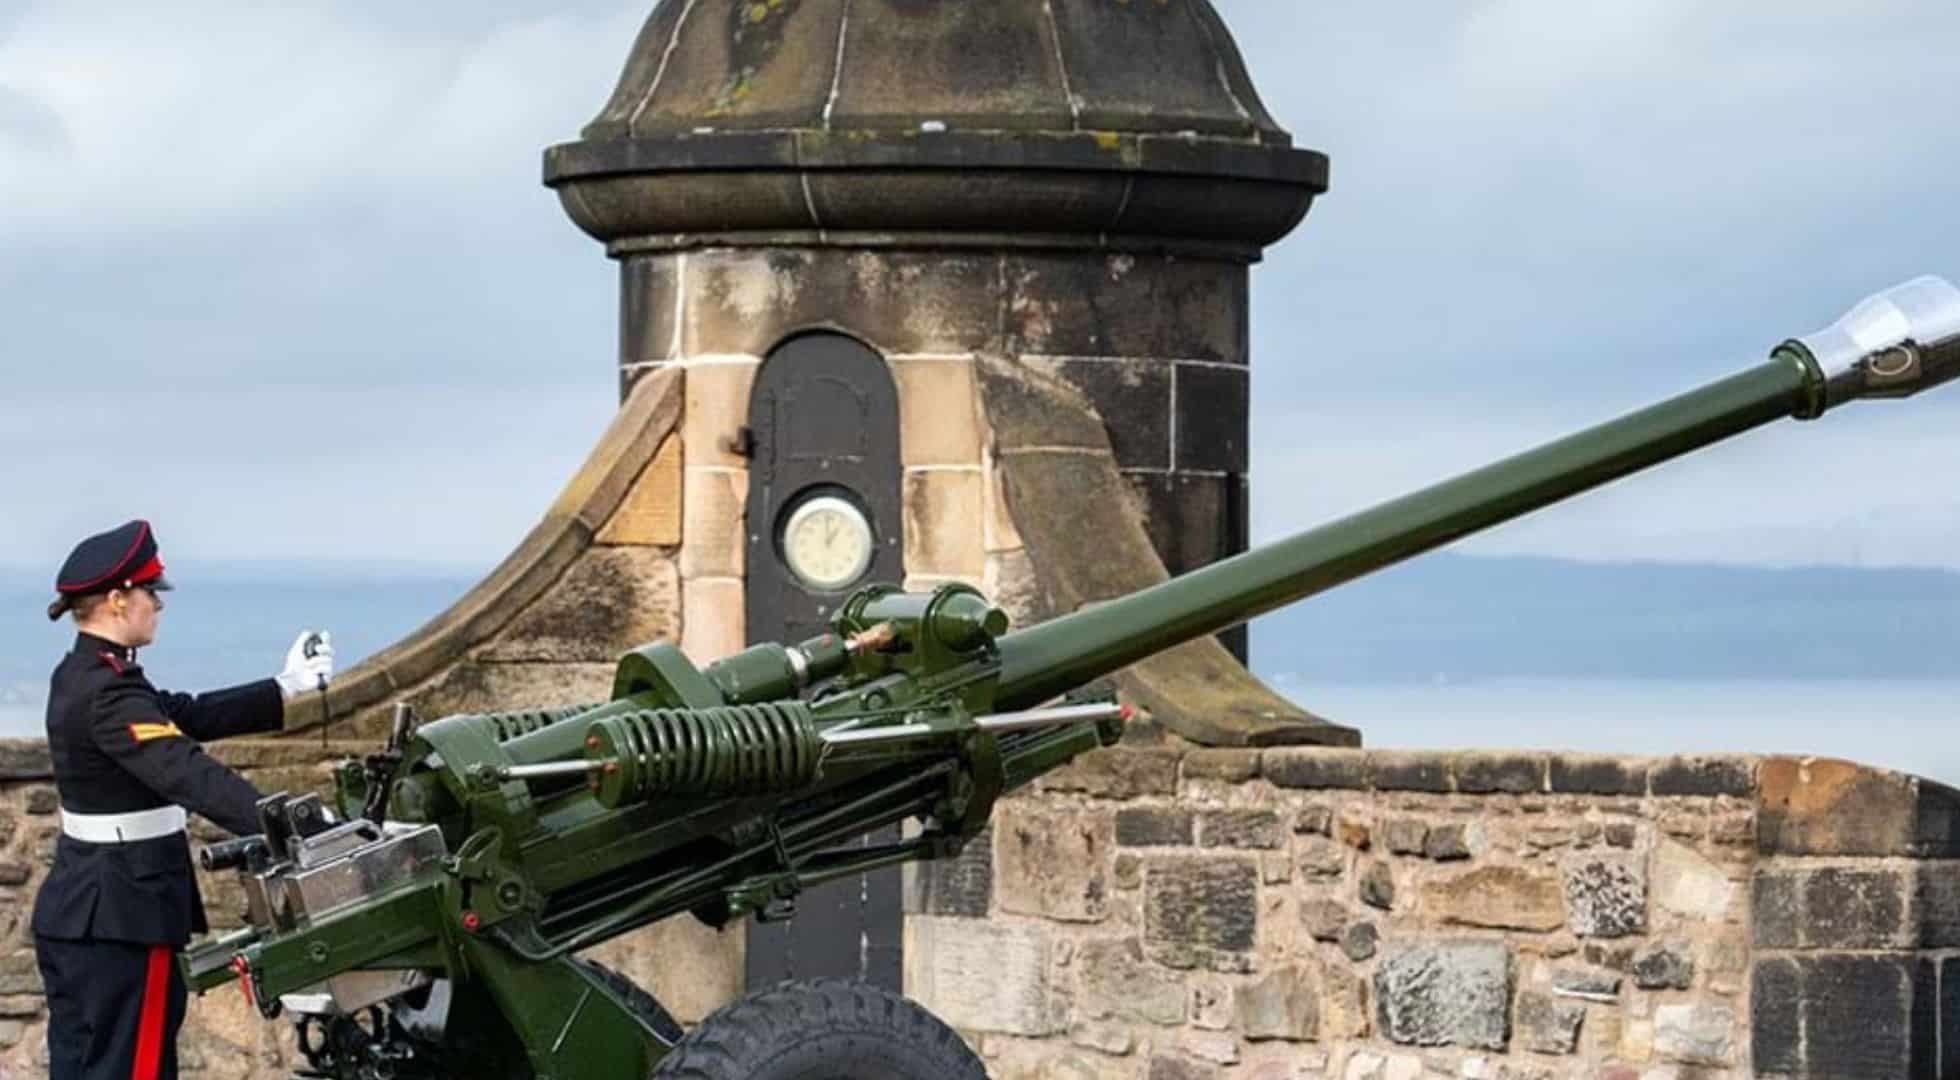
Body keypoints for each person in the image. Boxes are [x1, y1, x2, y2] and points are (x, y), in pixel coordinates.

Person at [31, 520, 334, 1080]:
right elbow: (188, 774)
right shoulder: (108, 693)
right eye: (151, 592)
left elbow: (184, 714)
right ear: (119, 600)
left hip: (88, 909)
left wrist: (283, 686)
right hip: (124, 914)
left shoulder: (85, 674)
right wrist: (299, 827)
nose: (158, 606)